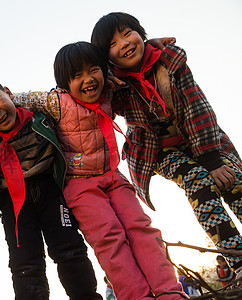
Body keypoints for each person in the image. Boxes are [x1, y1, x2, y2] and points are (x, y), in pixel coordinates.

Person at [12, 42, 186, 299]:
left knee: (142, 229)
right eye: (76, 76)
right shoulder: (56, 102)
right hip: (81, 186)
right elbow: (20, 98)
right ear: (64, 84)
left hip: (113, 177)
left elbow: (131, 63)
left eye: (93, 70)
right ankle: (137, 296)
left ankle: (169, 292)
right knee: (109, 239)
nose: (87, 79)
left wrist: (150, 43)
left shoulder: (110, 91)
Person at [91, 11, 242, 276]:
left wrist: (212, 160)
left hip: (203, 138)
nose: (124, 44)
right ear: (106, 57)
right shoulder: (114, 84)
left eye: (128, 34)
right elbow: (89, 93)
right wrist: (104, 74)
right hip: (158, 151)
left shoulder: (170, 62)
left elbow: (197, 108)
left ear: (141, 34)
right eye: (113, 44)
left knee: (232, 179)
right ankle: (238, 260)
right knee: (197, 180)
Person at [0, 75, 102, 300]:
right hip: (13, 202)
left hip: (50, 191)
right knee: (25, 262)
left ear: (8, 92)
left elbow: (67, 97)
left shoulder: (40, 116)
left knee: (70, 248)